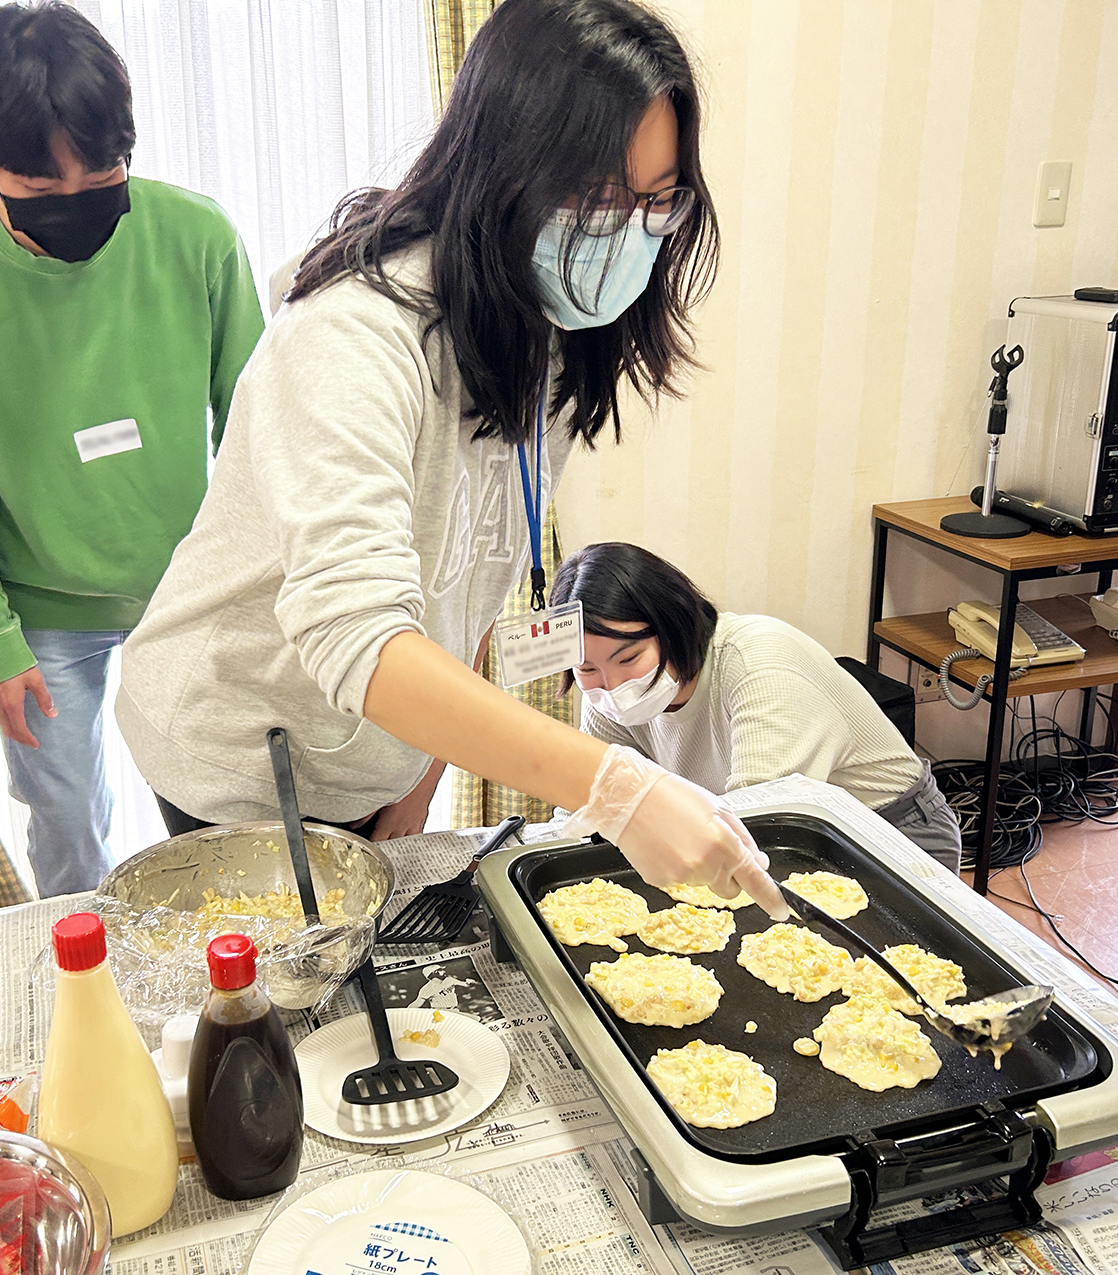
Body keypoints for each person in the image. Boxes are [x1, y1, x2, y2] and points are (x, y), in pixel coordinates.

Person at [116, 0, 785, 917]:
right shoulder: (352, 334)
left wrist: (423, 770)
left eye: (657, 199)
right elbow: (357, 631)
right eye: (598, 198)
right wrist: (618, 789)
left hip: (374, 746)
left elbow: (470, 579)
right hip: (245, 745)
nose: (630, 231)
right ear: (504, 169)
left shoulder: (537, 326)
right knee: (289, 1003)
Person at [0, 1, 264, 897]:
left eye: (107, 174)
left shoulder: (196, 237)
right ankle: (85, 995)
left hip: (194, 586)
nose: (80, 203)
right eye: (43, 191)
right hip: (39, 608)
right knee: (67, 825)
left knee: (226, 812)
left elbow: (255, 430)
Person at [553, 542, 966, 871]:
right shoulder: (605, 694)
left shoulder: (757, 663)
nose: (613, 685)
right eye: (587, 668)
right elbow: (593, 794)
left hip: (889, 825)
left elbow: (756, 824)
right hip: (775, 829)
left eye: (628, 659)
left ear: (674, 625)